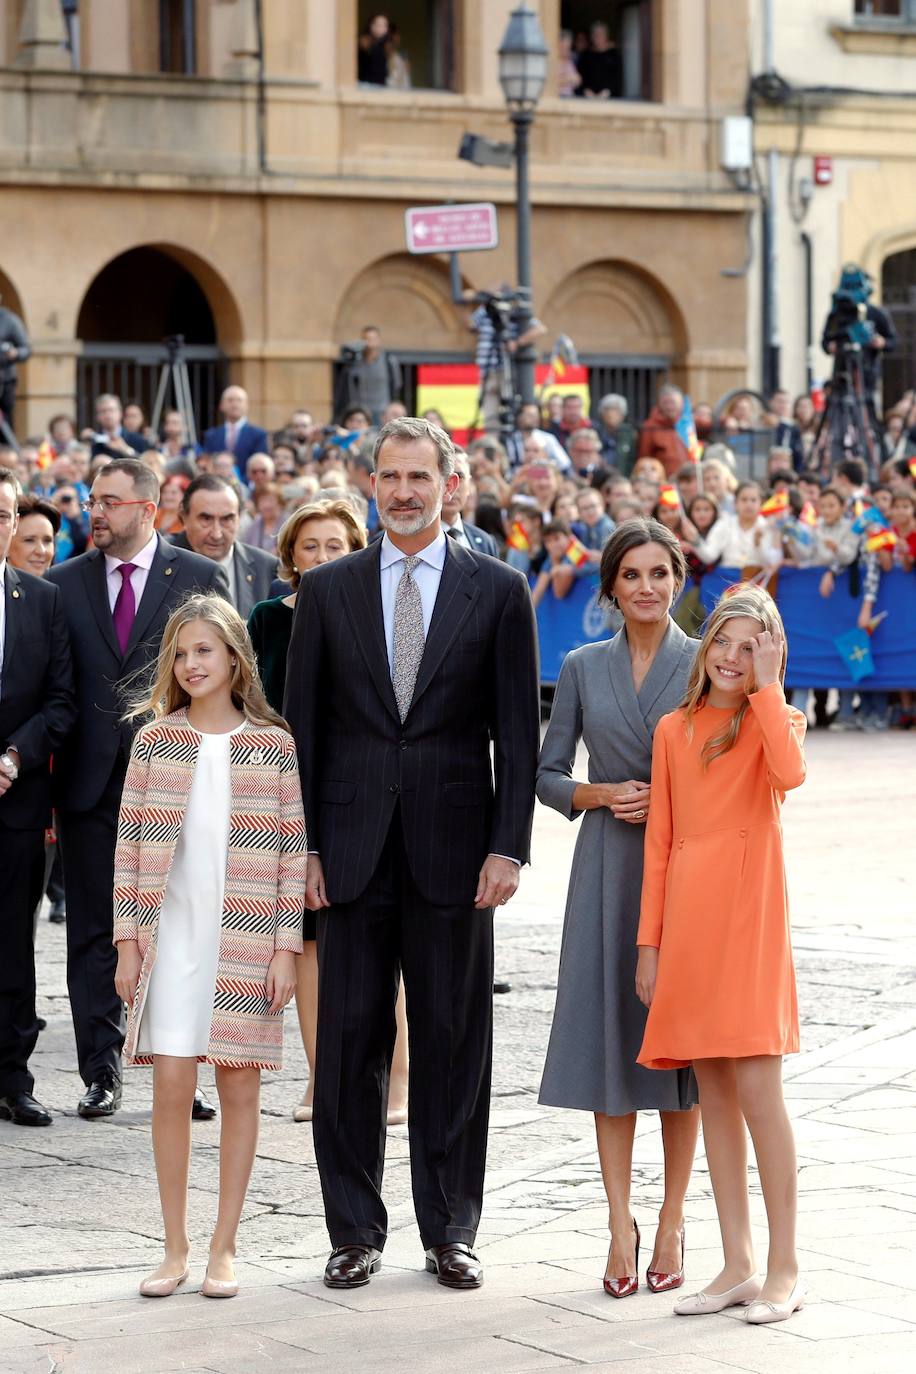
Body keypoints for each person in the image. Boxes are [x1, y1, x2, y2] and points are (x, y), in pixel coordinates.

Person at [285, 416, 539, 1292]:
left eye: (418, 477)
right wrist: (303, 847)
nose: (402, 492)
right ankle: (352, 1230)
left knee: (453, 1043)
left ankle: (451, 1230)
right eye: (388, 477)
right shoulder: (329, 590)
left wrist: (510, 847)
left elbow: (515, 728)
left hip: (457, 854)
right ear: (372, 485)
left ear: (450, 484)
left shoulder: (500, 590)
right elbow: (303, 736)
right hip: (347, 856)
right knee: (348, 1045)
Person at [114, 595, 305, 1299]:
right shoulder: (154, 741)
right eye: (181, 653)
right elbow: (128, 848)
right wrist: (127, 941)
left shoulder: (273, 744)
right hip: (171, 938)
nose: (192, 664)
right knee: (169, 1082)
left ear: (234, 657)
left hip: (248, 936)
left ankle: (225, 1247)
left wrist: (286, 948)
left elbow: (291, 851)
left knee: (238, 1083)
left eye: (204, 650)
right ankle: (173, 1246)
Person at [538, 518, 700, 1299]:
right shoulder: (579, 665)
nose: (646, 587)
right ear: (610, 586)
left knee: (679, 1055)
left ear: (679, 579)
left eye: (659, 573)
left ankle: (671, 1218)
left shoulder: (707, 664)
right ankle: (616, 1222)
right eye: (631, 575)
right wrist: (597, 794)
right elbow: (546, 771)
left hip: (686, 872)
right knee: (610, 1045)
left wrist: (670, 801)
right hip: (605, 866)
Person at [636, 586, 806, 1325]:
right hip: (690, 926)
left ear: (768, 655)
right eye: (725, 643)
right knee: (715, 1100)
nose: (734, 658)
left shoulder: (779, 721)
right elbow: (660, 844)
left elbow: (790, 776)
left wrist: (769, 689)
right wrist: (650, 943)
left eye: (751, 646)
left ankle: (785, 1266)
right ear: (705, 648)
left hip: (751, 920)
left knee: (762, 1095)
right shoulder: (673, 729)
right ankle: (737, 1260)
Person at [46, 459, 227, 1122]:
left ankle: (186, 1073)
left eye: (112, 502)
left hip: (176, 782)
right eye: (94, 500)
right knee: (95, 931)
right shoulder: (63, 584)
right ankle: (102, 1071)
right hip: (89, 785)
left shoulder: (199, 578)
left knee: (182, 929)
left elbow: (216, 677)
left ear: (148, 509)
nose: (97, 512)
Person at [247, 500, 408, 1130]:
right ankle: (323, 1077)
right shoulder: (266, 619)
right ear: (288, 555)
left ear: (356, 551)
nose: (319, 557)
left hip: (358, 791)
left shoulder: (373, 611)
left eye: (333, 546)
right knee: (307, 944)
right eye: (308, 546)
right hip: (282, 790)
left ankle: (396, 1079)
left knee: (381, 938)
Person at [0, 468, 76, 1127]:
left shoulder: (42, 600)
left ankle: (12, 1077)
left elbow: (60, 702)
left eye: (2, 515)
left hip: (15, 801)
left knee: (12, 944)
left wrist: (14, 755)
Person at [172, 474, 278, 619]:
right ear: (183, 516)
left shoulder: (267, 568)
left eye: (227, 519)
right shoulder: (160, 561)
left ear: (240, 518)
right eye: (206, 519)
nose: (216, 533)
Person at [338, 325, 402, 426]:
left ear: (379, 340)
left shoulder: (388, 361)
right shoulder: (355, 361)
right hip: (361, 413)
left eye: (372, 339)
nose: (369, 342)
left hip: (381, 411)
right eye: (365, 339)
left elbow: (396, 385)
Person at [440, 451, 499, 555]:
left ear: (470, 484)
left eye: (460, 477)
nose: (451, 487)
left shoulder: (485, 543)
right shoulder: (410, 542)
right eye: (444, 476)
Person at [202, 387, 269, 475]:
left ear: (247, 405)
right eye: (230, 400)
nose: (234, 404)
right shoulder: (211, 435)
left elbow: (260, 466)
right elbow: (207, 465)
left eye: (239, 400)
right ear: (221, 405)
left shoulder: (259, 435)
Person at [638, 386, 690, 477]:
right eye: (666, 403)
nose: (669, 407)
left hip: (690, 479)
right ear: (659, 405)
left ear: (682, 404)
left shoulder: (688, 422)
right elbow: (644, 457)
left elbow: (708, 425)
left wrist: (723, 422)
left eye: (673, 402)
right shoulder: (650, 427)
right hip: (664, 481)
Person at [0, 295, 31, 437]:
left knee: (5, 420)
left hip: (4, 379)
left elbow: (26, 349)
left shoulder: (10, 320)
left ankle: (7, 454)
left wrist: (15, 353)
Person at [8, 495, 59, 578]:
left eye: (47, 541)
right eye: (29, 540)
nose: (41, 551)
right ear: (6, 545)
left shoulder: (66, 589)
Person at [89, 394, 150, 459]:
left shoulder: (138, 439)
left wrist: (125, 449)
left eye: (111, 410)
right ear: (97, 416)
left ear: (120, 413)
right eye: (103, 411)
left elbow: (147, 464)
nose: (108, 415)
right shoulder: (93, 441)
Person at [576, 21, 623, 98]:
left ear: (606, 36)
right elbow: (579, 77)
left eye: (600, 34)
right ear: (591, 36)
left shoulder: (614, 55)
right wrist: (585, 90)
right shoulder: (585, 55)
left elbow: (618, 79)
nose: (597, 37)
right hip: (587, 98)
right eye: (595, 34)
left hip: (610, 99)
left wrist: (607, 92)